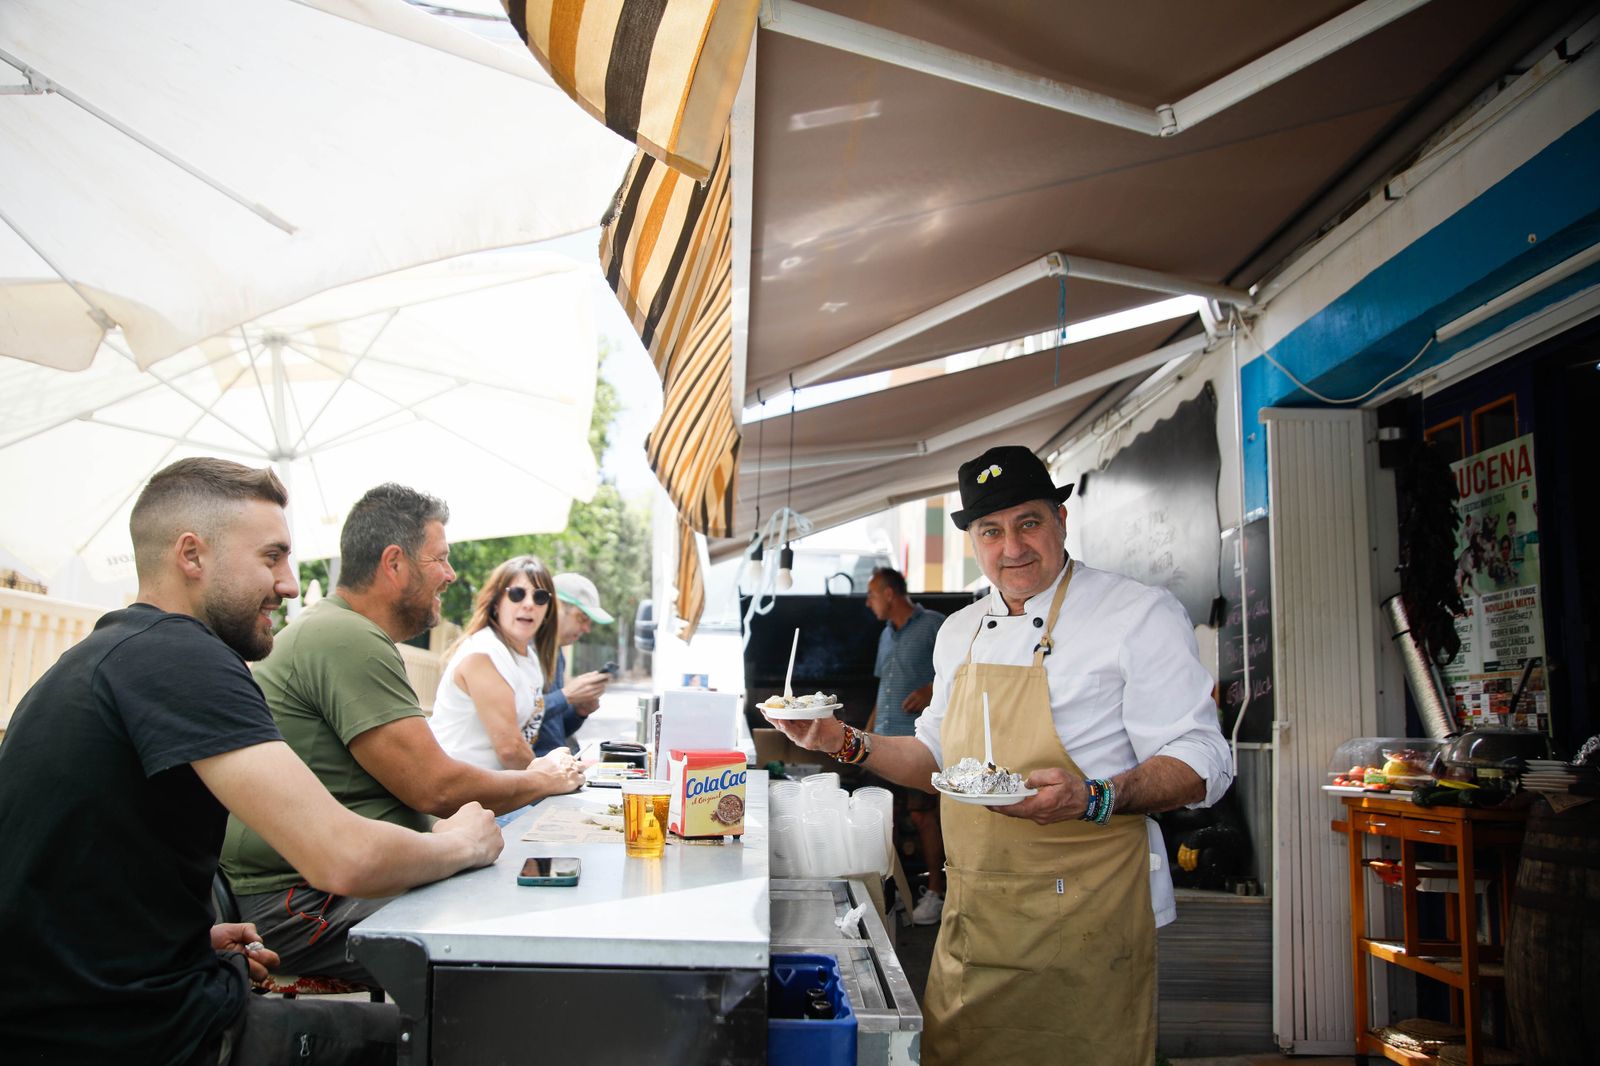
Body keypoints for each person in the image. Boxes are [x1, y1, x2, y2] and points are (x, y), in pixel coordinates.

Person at [0, 458, 503, 1066]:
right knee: (460, 1035)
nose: (290, 584)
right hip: (134, 1034)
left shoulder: (106, 656)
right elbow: (344, 856)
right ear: (192, 556)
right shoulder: (182, 657)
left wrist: (185, 938)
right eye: (272, 557)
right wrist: (469, 844)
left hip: (78, 1008)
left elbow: (62, 876)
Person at [763, 444, 1233, 1066]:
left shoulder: (1136, 614)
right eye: (992, 530)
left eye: (1028, 523)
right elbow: (934, 757)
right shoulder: (960, 631)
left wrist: (1095, 797)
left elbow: (1204, 757)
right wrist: (842, 740)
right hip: (976, 920)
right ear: (975, 542)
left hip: (1089, 921)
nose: (1012, 547)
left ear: (1061, 521)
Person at [221, 484, 586, 985]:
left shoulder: (348, 632)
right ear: (394, 564)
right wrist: (543, 780)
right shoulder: (345, 635)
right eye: (440, 559)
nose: (451, 575)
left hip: (330, 885)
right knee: (512, 946)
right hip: (298, 902)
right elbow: (436, 788)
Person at [428, 555, 563, 824]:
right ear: (495, 603)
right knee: (554, 835)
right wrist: (552, 777)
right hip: (463, 801)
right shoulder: (484, 653)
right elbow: (510, 749)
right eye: (516, 594)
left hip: (497, 793)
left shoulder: (528, 657)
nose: (528, 604)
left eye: (540, 597)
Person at [863, 565, 948, 925]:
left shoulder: (934, 626)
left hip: (919, 744)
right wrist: (862, 738)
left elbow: (961, 674)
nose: (868, 604)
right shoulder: (885, 636)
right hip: (884, 741)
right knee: (886, 819)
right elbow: (882, 693)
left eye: (870, 596)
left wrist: (930, 691)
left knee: (923, 815)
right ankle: (895, 891)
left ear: (888, 594)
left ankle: (936, 893)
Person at [532, 571, 614, 756]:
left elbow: (553, 731)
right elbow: (521, 715)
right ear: (556, 608)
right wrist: (567, 696)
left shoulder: (556, 651)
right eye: (582, 618)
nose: (587, 628)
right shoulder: (525, 650)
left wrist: (579, 711)